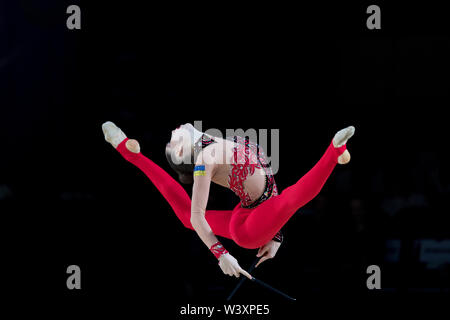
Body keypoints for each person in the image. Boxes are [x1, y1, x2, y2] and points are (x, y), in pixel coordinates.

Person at [102, 121, 354, 280]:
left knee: (285, 200)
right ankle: (334, 151)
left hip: (251, 213)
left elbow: (269, 182)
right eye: (172, 142)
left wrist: (276, 235)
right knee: (291, 199)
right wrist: (221, 254)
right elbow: (197, 216)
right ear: (181, 151)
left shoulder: (213, 137)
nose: (172, 132)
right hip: (248, 231)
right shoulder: (203, 160)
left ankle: (127, 150)